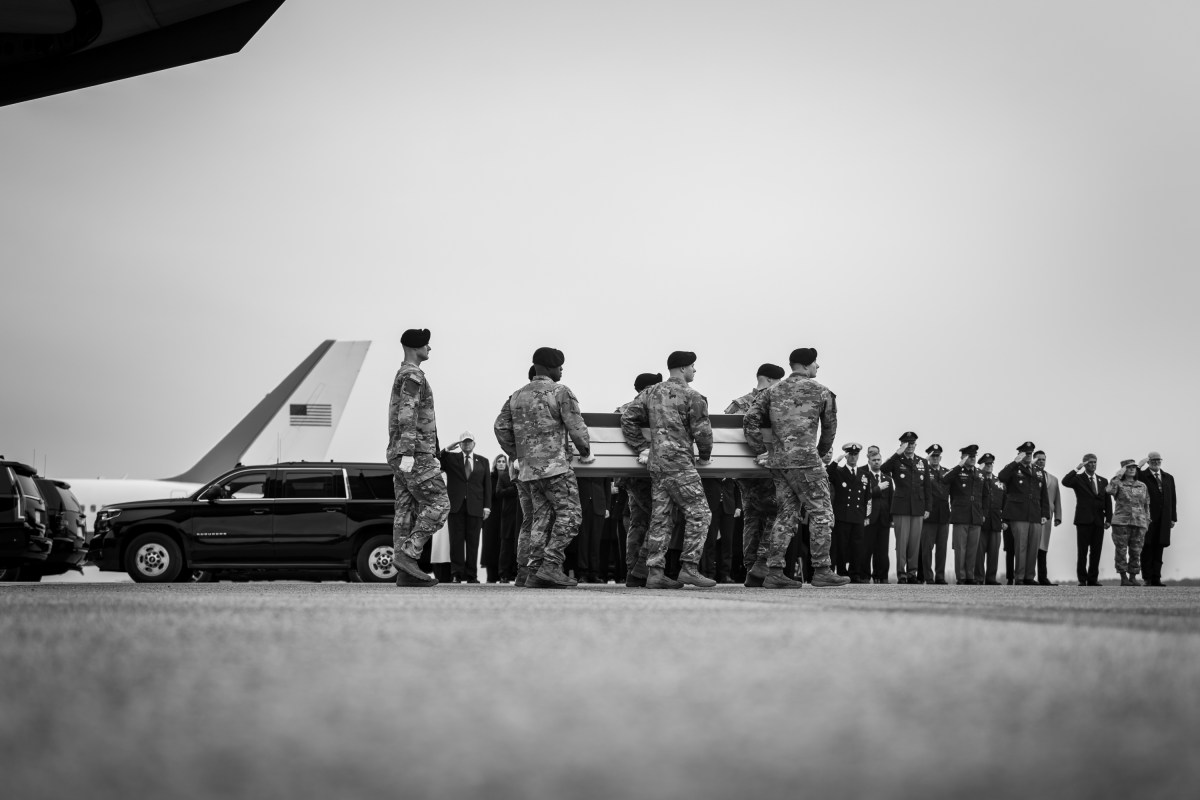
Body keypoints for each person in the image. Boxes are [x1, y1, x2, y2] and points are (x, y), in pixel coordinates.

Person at [744, 347, 848, 588]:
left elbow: (750, 419)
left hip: (779, 464)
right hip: (807, 463)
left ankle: (775, 572)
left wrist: (762, 451)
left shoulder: (772, 390)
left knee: (785, 515)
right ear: (807, 365)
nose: (818, 367)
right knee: (822, 514)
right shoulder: (822, 391)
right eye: (816, 363)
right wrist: (820, 454)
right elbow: (830, 429)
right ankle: (821, 569)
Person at [494, 347, 593, 589]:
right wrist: (586, 451)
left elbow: (500, 427)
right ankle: (550, 565)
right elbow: (576, 427)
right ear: (549, 367)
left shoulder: (516, 396)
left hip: (528, 471)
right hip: (555, 467)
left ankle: (531, 571)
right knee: (571, 517)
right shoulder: (560, 392)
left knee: (538, 519)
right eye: (559, 365)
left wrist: (516, 454)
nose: (561, 369)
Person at [621, 352, 715, 590]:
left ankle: (655, 572)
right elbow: (703, 433)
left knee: (661, 517)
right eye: (693, 366)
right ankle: (689, 567)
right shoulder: (693, 396)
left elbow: (628, 419)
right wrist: (704, 456)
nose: (695, 370)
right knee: (700, 513)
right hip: (680, 464)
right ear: (683, 368)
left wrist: (642, 447)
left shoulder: (650, 393)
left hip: (656, 463)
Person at [386, 328, 450, 588]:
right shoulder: (413, 374)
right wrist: (410, 453)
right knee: (440, 503)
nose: (430, 348)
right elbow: (408, 413)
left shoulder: (404, 373)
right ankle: (409, 555)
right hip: (415, 453)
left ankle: (406, 573)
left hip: (401, 452)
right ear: (416, 347)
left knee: (406, 511)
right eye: (427, 344)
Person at [725, 363, 785, 587]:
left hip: (743, 471)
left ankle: (751, 566)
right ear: (770, 381)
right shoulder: (773, 401)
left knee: (751, 517)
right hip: (767, 468)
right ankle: (762, 563)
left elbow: (726, 437)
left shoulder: (737, 404)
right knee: (776, 513)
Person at [616, 372, 662, 587]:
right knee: (661, 517)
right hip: (650, 473)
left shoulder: (622, 409)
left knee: (638, 521)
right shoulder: (652, 407)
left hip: (630, 474)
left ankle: (633, 570)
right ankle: (641, 567)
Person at [438, 431, 492, 583]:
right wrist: (447, 449)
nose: (467, 444)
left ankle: (471, 575)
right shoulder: (451, 459)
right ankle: (456, 573)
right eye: (464, 442)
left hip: (475, 507)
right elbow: (437, 461)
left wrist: (487, 507)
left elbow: (487, 485)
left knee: (473, 542)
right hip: (456, 506)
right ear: (459, 444)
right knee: (456, 541)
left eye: (469, 442)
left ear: (474, 444)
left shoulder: (483, 461)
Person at [998, 441, 1050, 586]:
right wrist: (1015, 462)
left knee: (1033, 547)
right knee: (1020, 546)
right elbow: (1001, 476)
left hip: (1035, 513)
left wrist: (1045, 513)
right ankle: (1019, 577)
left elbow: (1043, 494)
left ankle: (1029, 576)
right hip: (1018, 514)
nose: (1028, 456)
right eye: (1026, 453)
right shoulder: (1014, 468)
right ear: (1020, 454)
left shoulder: (1038, 471)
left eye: (1030, 453)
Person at [880, 432, 929, 584]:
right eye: (906, 444)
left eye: (912, 444)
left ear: (916, 445)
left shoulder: (922, 462)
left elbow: (927, 486)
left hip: (918, 508)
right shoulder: (896, 460)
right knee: (902, 543)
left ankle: (912, 573)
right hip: (901, 507)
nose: (910, 447)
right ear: (902, 445)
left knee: (914, 542)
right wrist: (897, 453)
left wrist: (928, 507)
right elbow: (883, 469)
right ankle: (902, 574)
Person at [1061, 453, 1112, 586]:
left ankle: (1093, 579)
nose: (1093, 465)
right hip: (1083, 520)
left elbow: (1107, 500)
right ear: (1084, 464)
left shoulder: (1103, 481)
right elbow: (1065, 482)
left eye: (1094, 462)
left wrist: (1109, 519)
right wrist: (1077, 468)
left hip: (1099, 520)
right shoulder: (1078, 479)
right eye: (1089, 462)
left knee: (1096, 551)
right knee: (1082, 551)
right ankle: (1082, 579)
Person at [944, 444, 987, 584]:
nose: (973, 459)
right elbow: (944, 480)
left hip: (976, 516)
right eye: (970, 456)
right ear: (963, 457)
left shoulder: (980, 474)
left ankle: (970, 576)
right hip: (960, 515)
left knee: (972, 549)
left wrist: (983, 513)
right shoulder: (956, 472)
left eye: (974, 456)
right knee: (960, 549)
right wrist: (958, 466)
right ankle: (961, 577)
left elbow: (985, 496)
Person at [828, 442, 869, 582]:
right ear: (846, 456)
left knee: (857, 547)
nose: (853, 457)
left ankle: (855, 573)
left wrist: (865, 515)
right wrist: (837, 460)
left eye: (855, 454)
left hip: (857, 515)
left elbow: (866, 497)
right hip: (842, 515)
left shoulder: (865, 474)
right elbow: (827, 474)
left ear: (858, 455)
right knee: (841, 546)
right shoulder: (839, 471)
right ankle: (841, 572)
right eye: (850, 454)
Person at [1108, 459, 1151, 586]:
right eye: (1128, 467)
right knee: (1121, 550)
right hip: (1121, 522)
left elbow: (1146, 505)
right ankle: (1123, 577)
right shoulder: (1118, 484)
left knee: (1136, 550)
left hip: (1139, 522)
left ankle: (1133, 576)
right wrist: (1118, 475)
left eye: (1134, 467)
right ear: (1123, 470)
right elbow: (1109, 490)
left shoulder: (1142, 485)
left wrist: (1147, 521)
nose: (1132, 469)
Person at [1137, 452, 1178, 587]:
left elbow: (1173, 499)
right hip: (1148, 518)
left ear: (1161, 461)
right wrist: (1139, 466)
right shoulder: (1143, 476)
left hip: (1164, 519)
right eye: (1153, 460)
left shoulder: (1168, 478)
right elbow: (1132, 478)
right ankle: (1147, 578)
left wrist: (1173, 518)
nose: (1155, 462)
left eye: (1158, 460)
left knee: (1159, 548)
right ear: (1148, 462)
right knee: (1147, 547)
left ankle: (1156, 578)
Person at [920, 444, 951, 584]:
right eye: (932, 456)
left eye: (937, 456)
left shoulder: (946, 472)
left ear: (941, 457)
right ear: (929, 457)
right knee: (927, 548)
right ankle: (928, 576)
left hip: (944, 515)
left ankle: (940, 576)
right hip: (929, 515)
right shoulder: (924, 472)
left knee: (942, 549)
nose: (935, 458)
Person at [1031, 450, 1063, 586]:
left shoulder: (1053, 479)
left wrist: (1058, 516)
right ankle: (1028, 576)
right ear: (1033, 460)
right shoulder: (1029, 476)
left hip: (1047, 517)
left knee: (1043, 548)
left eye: (1043, 459)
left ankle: (1043, 577)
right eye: (1038, 459)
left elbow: (1057, 499)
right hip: (1031, 515)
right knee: (1031, 547)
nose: (1041, 462)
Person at [573, 475, 611, 583]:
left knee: (596, 541)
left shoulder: (603, 463)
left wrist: (607, 506)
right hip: (582, 505)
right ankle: (582, 572)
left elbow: (607, 485)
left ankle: (594, 572)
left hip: (599, 505)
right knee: (583, 541)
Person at [864, 445, 893, 583]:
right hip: (869, 519)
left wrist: (891, 518)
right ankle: (865, 576)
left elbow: (891, 499)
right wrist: (877, 489)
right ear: (869, 461)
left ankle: (881, 576)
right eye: (874, 460)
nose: (876, 462)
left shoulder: (887, 478)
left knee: (882, 551)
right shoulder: (864, 476)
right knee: (867, 548)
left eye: (878, 459)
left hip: (884, 519)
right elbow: (865, 496)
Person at [977, 453, 1006, 585]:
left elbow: (1005, 502)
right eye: (986, 464)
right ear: (981, 465)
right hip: (981, 522)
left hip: (995, 522)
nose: (989, 466)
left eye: (991, 464)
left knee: (994, 553)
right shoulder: (977, 480)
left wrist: (1005, 520)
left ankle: (991, 578)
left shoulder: (999, 482)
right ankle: (978, 578)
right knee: (979, 552)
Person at [701, 477, 737, 582]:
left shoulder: (730, 472)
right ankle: (709, 573)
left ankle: (725, 574)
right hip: (711, 508)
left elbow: (737, 491)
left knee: (728, 543)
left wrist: (738, 506)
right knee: (710, 542)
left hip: (728, 508)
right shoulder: (710, 470)